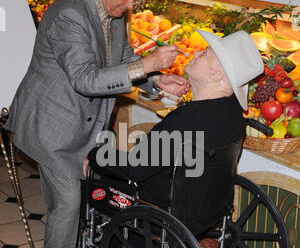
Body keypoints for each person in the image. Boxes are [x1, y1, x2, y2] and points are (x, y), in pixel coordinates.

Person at [5, 0, 190, 248]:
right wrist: (149, 64)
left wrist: (155, 80)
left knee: (81, 195)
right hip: (52, 124)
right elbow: (87, 79)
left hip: (85, 124)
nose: (132, 4)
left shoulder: (114, 9)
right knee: (68, 204)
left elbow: (121, 59)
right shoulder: (70, 14)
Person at [88, 30, 264, 210]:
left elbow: (135, 168)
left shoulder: (184, 122)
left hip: (155, 213)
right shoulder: (234, 115)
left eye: (205, 53)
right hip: (201, 212)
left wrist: (95, 154)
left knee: (97, 181)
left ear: (215, 76)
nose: (196, 53)